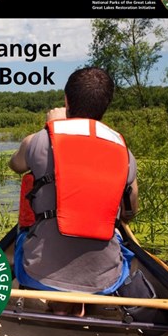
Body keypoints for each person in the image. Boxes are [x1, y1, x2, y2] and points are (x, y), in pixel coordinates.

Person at [9, 66, 139, 315]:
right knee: (118, 237)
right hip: (106, 279)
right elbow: (130, 212)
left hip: (37, 273)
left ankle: (60, 305)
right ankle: (80, 302)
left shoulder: (38, 140)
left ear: (66, 100)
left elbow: (15, 165)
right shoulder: (125, 153)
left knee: (26, 212)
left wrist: (52, 129)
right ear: (106, 105)